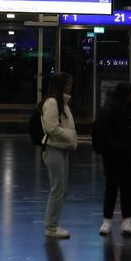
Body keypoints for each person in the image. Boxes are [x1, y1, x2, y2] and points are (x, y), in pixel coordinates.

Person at [93, 82, 131, 237]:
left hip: (122, 154)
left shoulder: (127, 108)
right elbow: (105, 131)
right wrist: (123, 148)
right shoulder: (111, 109)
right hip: (114, 154)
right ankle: (111, 220)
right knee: (114, 186)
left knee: (121, 186)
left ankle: (120, 219)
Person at [41, 73, 78, 239]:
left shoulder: (61, 103)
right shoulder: (53, 103)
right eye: (67, 84)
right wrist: (70, 136)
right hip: (54, 149)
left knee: (60, 189)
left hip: (60, 149)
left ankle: (53, 225)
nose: (70, 87)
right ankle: (51, 227)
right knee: (57, 189)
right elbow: (52, 128)